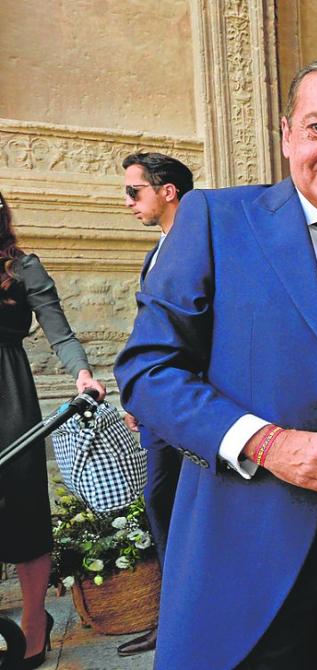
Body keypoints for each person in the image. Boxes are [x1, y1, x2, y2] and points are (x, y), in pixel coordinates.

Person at [114, 60, 317, 669]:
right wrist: (264, 443)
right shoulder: (215, 221)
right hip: (242, 553)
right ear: (288, 134)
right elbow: (147, 371)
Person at [0, 190, 106, 669]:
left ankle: (35, 621)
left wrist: (82, 373)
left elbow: (59, 331)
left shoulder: (23, 268)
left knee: (21, 505)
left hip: (7, 396)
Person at [116, 150, 194, 657]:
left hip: (191, 407)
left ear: (168, 191)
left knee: (171, 504)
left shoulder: (198, 246)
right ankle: (174, 619)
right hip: (160, 407)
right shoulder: (156, 252)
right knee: (161, 505)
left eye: (134, 191)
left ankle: (182, 622)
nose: (127, 203)